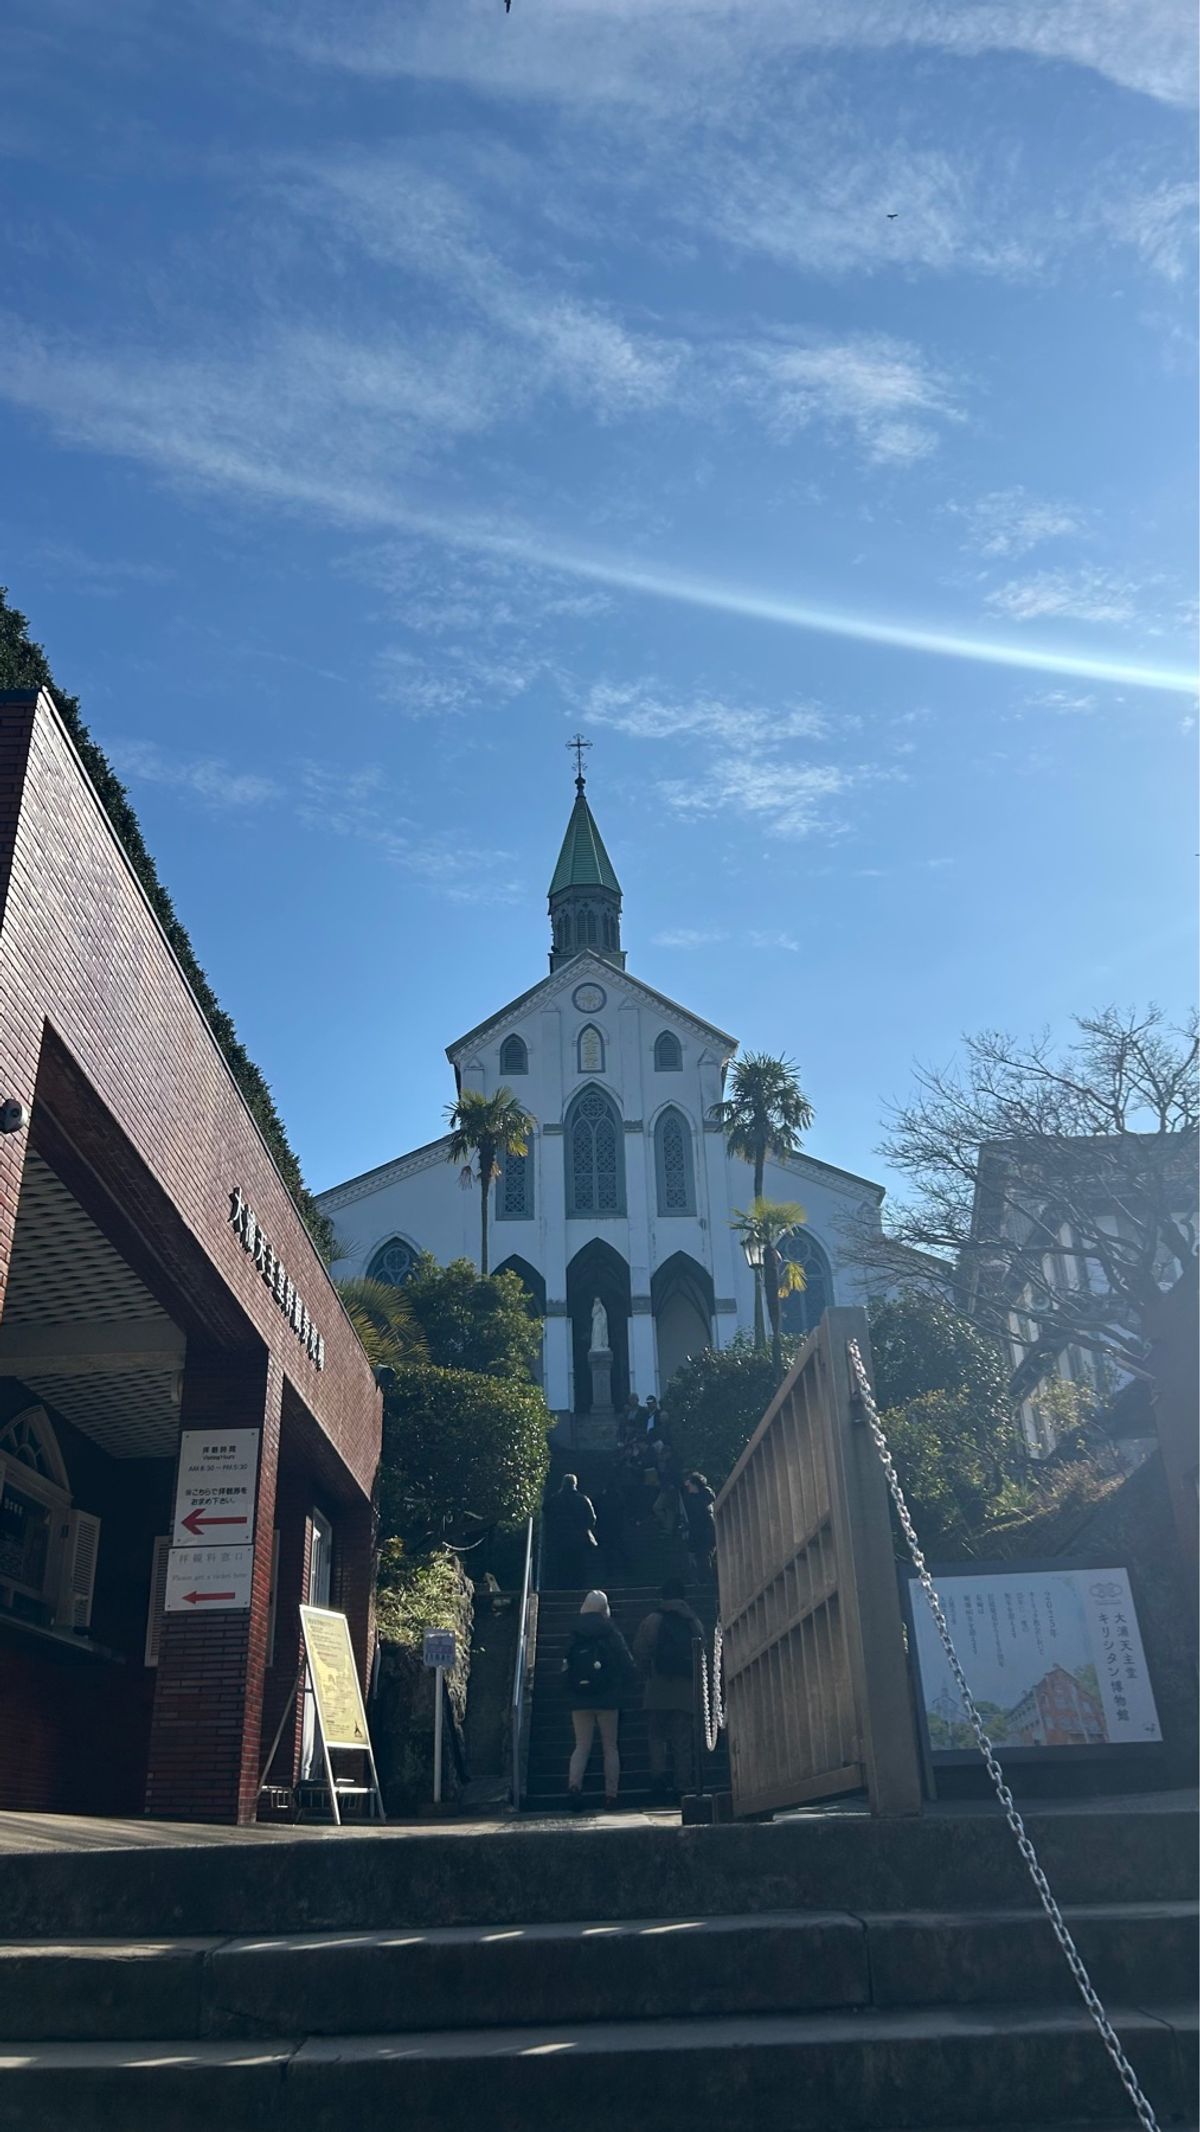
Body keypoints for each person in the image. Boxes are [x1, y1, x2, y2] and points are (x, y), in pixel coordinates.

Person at [562, 1590, 637, 1811]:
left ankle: (574, 1787)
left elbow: (565, 1665)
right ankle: (611, 1795)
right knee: (610, 1747)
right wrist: (629, 1682)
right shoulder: (610, 1629)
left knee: (581, 1746)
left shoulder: (575, 1631)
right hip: (608, 1697)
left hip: (579, 1697)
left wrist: (568, 1691)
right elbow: (625, 1660)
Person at [633, 1578, 704, 1804]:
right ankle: (683, 1785)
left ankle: (658, 1779)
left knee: (656, 1737)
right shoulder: (693, 1622)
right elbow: (702, 1652)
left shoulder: (652, 1620)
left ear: (662, 1596)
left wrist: (646, 1673)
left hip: (657, 1688)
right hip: (685, 1689)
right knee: (682, 1740)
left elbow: (640, 1651)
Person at [545, 1472, 598, 1589]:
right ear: (575, 1484)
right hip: (578, 1539)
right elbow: (592, 1518)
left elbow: (547, 1515)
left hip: (560, 1538)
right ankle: (578, 1586)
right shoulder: (583, 1500)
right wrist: (585, 1528)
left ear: (563, 1484)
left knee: (562, 1563)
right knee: (578, 1564)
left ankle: (562, 1586)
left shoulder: (555, 1500)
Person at [594, 1477, 633, 1586]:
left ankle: (609, 1571)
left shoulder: (601, 1498)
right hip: (616, 1527)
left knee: (607, 1550)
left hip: (605, 1527)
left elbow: (595, 1509)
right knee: (620, 1547)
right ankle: (628, 1568)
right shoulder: (618, 1497)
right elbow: (623, 1510)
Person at [682, 1471, 717, 1579]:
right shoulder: (696, 1497)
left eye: (690, 1485)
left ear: (695, 1484)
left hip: (705, 1530)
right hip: (701, 1530)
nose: (688, 1488)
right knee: (702, 1556)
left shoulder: (704, 1496)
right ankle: (704, 1579)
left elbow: (699, 1517)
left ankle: (707, 1581)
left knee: (704, 1556)